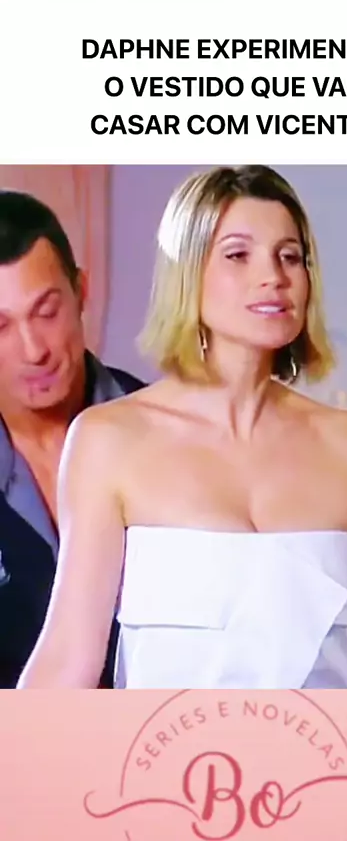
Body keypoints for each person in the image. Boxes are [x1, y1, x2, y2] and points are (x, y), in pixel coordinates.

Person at [17, 166, 347, 690]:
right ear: (187, 273)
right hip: (168, 744)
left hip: (328, 744)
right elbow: (68, 655)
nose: (274, 276)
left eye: (289, 256)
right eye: (238, 255)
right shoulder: (109, 441)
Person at [0, 189, 145, 689]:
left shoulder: (167, 432)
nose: (33, 350)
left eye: (46, 312)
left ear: (82, 292)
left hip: (163, 729)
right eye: (0, 326)